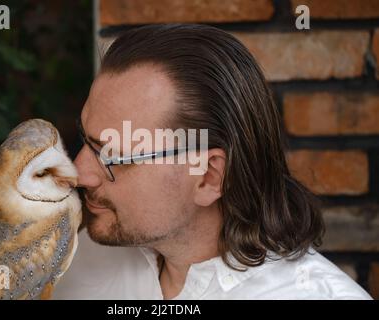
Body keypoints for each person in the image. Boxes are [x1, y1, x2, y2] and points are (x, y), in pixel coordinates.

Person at [53, 24, 371, 299]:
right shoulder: (79, 258)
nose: (79, 173)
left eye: (111, 155)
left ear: (208, 176)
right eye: (85, 137)